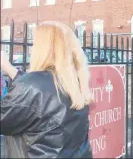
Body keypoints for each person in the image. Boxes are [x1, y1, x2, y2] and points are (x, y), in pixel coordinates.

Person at [0, 21, 93, 158]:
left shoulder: (32, 85)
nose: (32, 50)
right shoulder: (75, 82)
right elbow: (38, 94)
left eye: (35, 44)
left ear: (44, 49)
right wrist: (10, 70)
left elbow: (5, 119)